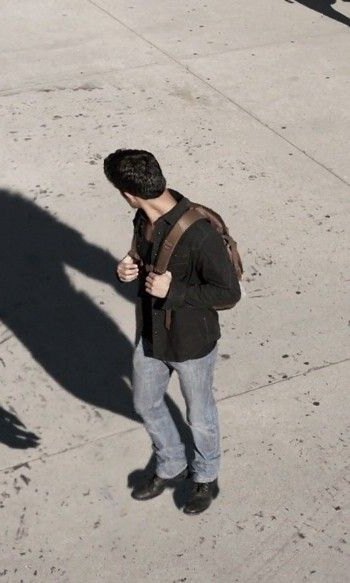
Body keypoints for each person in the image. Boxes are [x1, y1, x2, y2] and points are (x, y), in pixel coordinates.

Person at [103, 149, 241, 514]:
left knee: (200, 414)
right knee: (145, 402)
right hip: (151, 332)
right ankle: (172, 464)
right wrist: (128, 265)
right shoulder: (143, 217)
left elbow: (229, 293)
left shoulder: (199, 234)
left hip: (192, 342)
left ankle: (206, 477)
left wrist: (174, 292)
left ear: (128, 193)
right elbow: (143, 253)